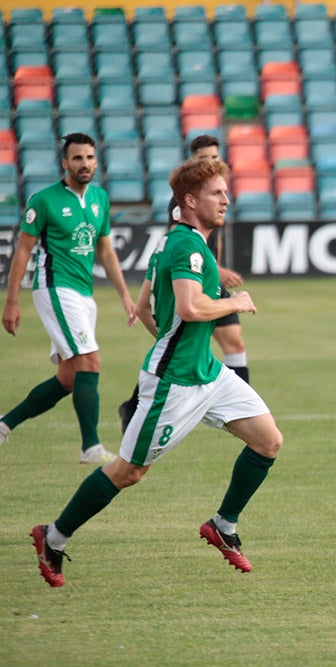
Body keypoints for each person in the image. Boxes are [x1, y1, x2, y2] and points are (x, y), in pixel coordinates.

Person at [31, 157, 283, 587]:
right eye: (216, 194)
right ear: (189, 200)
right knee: (129, 472)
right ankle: (52, 536)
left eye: (226, 192)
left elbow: (143, 307)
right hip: (174, 384)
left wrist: (169, 340)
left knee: (268, 441)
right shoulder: (186, 246)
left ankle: (223, 525)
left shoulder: (175, 242)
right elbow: (190, 308)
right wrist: (235, 303)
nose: (227, 199)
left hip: (207, 372)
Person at [1, 133, 136, 464]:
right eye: (77, 158)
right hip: (55, 287)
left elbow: (104, 249)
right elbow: (23, 250)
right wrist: (12, 300)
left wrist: (125, 296)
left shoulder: (99, 199)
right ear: (65, 163)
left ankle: (4, 426)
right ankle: (90, 448)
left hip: (83, 293)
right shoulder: (44, 200)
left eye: (89, 157)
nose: (85, 164)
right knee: (90, 361)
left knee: (69, 377)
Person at [117, 135, 251, 434]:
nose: (212, 163)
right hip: (188, 277)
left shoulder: (217, 195)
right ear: (192, 162)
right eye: (205, 159)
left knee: (234, 342)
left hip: (208, 279)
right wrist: (218, 271)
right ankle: (137, 402)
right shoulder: (185, 203)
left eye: (216, 158)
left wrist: (216, 272)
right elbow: (184, 243)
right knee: (178, 342)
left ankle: (237, 406)